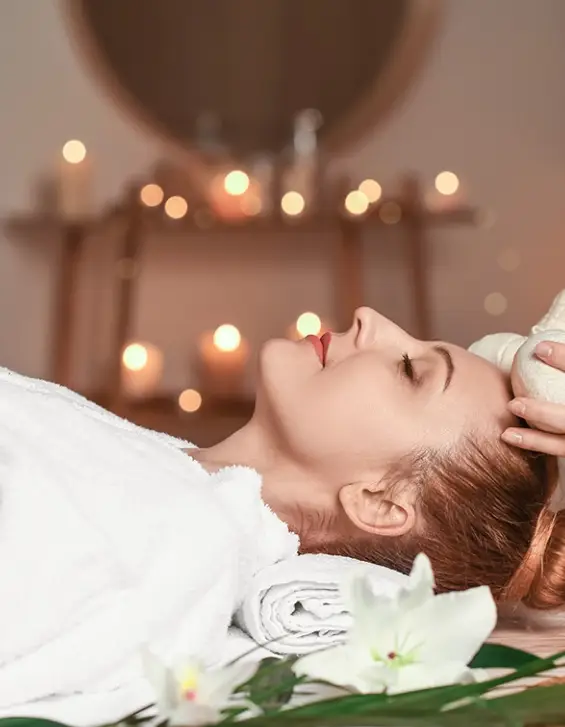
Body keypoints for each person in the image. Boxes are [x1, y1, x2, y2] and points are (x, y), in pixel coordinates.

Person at [188, 306, 565, 611]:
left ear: (379, 502)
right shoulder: (167, 499)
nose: (368, 317)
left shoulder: (177, 549)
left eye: (409, 370)